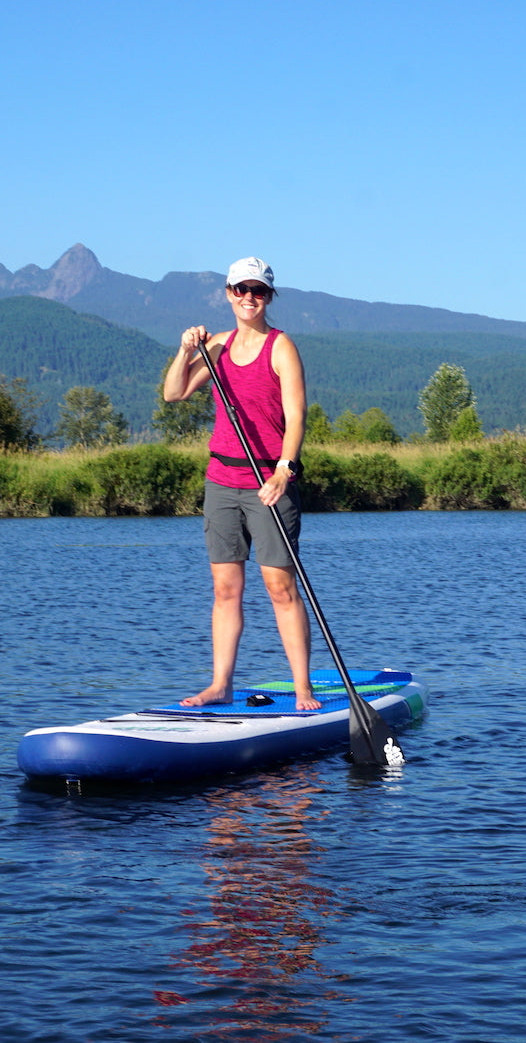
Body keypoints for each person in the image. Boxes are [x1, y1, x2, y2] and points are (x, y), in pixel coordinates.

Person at [161, 257, 319, 711]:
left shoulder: (281, 346)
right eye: (240, 290)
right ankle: (220, 685)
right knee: (225, 589)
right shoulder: (216, 348)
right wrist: (185, 350)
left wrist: (284, 472)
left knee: (280, 587)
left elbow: (297, 416)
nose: (249, 298)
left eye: (258, 291)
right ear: (228, 293)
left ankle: (303, 689)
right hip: (221, 480)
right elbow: (174, 393)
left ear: (269, 297)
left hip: (270, 481)